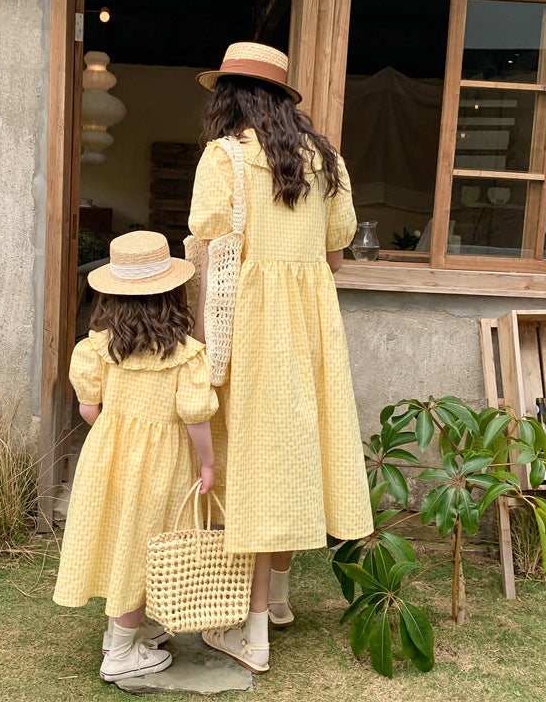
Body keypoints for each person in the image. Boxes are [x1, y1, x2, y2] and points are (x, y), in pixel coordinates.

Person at [189, 42, 374, 673]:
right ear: (281, 100)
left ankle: (252, 631)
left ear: (229, 96)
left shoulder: (224, 159)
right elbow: (339, 236)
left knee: (250, 461)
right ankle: (282, 598)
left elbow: (207, 240)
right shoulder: (326, 159)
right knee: (294, 453)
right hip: (311, 324)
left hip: (249, 323)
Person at [53, 230, 217, 683]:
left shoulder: (98, 347)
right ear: (173, 296)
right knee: (145, 550)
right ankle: (122, 654)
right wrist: (207, 463)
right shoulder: (185, 355)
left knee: (122, 541)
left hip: (107, 456)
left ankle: (120, 633)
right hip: (161, 464)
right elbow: (195, 417)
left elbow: (89, 407)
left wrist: (114, 435)